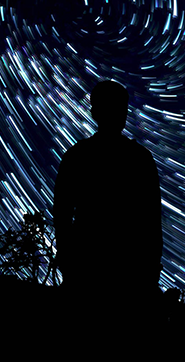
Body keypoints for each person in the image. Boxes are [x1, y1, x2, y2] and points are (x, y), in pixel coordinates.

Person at [53, 80, 162, 301]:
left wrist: (67, 258)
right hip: (118, 273)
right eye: (116, 107)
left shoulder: (77, 156)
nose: (119, 113)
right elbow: (151, 219)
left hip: (97, 270)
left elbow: (62, 214)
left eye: (120, 107)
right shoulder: (139, 159)